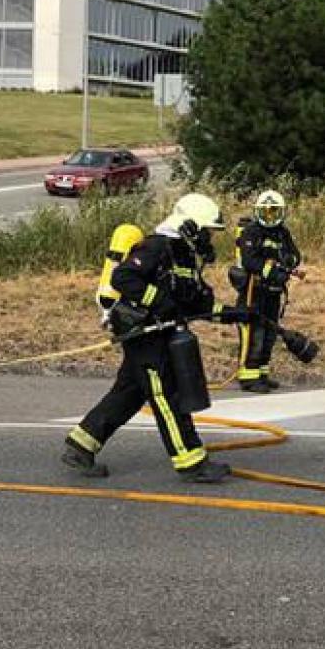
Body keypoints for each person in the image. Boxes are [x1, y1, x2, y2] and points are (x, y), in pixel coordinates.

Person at [63, 193, 233, 484]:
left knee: (129, 392)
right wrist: (158, 301)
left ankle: (81, 445)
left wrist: (235, 314)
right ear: (190, 226)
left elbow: (193, 301)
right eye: (207, 231)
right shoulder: (157, 247)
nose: (209, 238)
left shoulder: (183, 255)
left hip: (161, 333)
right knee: (166, 395)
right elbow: (123, 277)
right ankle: (191, 462)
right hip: (146, 335)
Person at [229, 190, 302, 393]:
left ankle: (262, 374)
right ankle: (249, 378)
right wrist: (271, 271)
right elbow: (249, 260)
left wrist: (288, 263)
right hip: (254, 292)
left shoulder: (282, 233)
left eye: (274, 212)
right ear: (258, 212)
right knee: (255, 333)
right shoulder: (252, 232)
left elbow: (295, 255)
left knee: (270, 333)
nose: (270, 216)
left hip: (273, 293)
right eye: (266, 212)